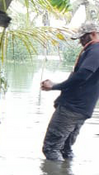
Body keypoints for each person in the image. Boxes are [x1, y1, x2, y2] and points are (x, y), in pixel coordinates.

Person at [40, 20, 99, 161]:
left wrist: (54, 86)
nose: (81, 42)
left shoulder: (95, 51)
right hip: (82, 108)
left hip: (72, 108)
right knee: (65, 149)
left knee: (51, 148)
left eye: (83, 38)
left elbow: (82, 76)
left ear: (93, 34)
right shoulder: (93, 51)